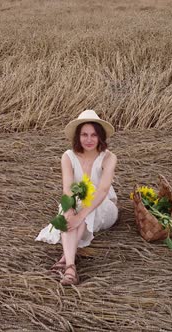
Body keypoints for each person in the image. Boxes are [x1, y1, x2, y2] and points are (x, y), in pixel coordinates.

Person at [35, 109, 118, 286]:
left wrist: (79, 215)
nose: (89, 140)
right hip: (78, 203)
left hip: (104, 207)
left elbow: (102, 191)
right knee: (67, 211)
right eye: (84, 135)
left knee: (85, 205)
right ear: (77, 136)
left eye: (94, 135)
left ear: (100, 137)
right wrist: (71, 210)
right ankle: (70, 267)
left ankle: (65, 257)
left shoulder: (109, 158)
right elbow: (67, 189)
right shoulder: (68, 156)